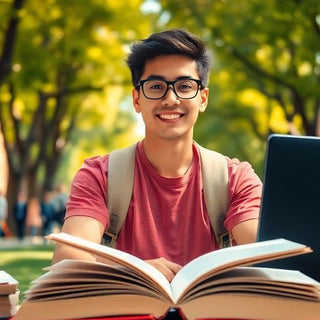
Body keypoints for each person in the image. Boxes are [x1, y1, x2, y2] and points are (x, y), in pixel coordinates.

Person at [52, 29, 262, 282]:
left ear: (203, 98)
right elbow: (68, 260)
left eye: (185, 86)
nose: (170, 99)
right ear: (137, 99)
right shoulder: (99, 175)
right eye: (156, 86)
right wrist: (138, 271)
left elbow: (268, 255)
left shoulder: (237, 179)